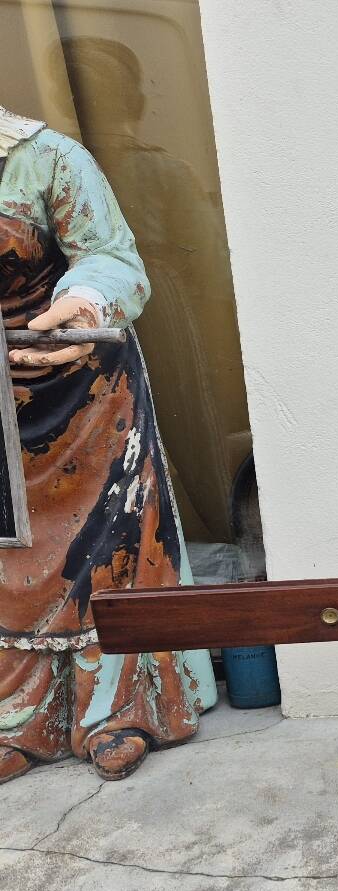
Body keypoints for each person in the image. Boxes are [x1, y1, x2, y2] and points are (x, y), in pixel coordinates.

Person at [0, 105, 215, 784]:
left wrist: (84, 303)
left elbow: (110, 255)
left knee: (109, 547)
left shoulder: (48, 158)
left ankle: (124, 709)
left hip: (85, 394)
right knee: (10, 562)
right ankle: (20, 718)